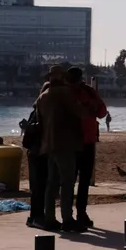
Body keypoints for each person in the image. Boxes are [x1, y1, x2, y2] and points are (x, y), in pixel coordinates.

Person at [37, 65, 87, 232]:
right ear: (62, 77)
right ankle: (67, 218)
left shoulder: (43, 96)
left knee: (52, 183)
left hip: (49, 144)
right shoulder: (66, 93)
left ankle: (50, 218)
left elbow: (40, 119)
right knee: (67, 182)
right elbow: (80, 112)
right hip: (65, 143)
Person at [67, 67, 107, 230]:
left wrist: (90, 106)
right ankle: (75, 213)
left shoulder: (86, 92)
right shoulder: (75, 92)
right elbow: (102, 111)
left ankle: (77, 212)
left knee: (77, 179)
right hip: (75, 141)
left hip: (81, 141)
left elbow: (102, 111)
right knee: (74, 180)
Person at [20, 99, 47, 229]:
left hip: (35, 152)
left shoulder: (37, 112)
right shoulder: (39, 114)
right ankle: (36, 216)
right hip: (37, 152)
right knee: (38, 186)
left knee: (38, 186)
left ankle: (36, 216)